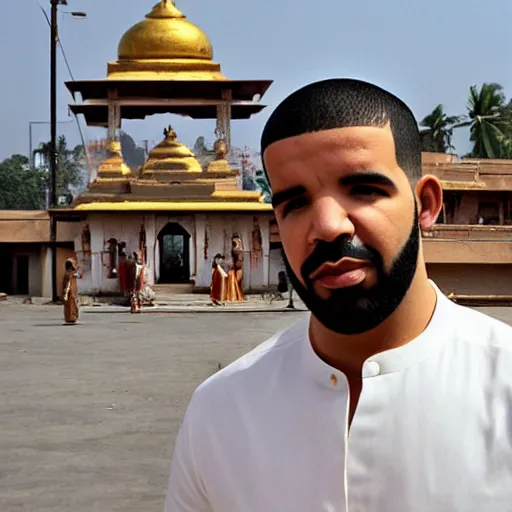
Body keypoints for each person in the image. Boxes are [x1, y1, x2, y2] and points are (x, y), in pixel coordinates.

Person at [164, 79, 512, 511]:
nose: (328, 226)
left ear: (425, 204)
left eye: (363, 189)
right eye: (295, 203)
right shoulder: (222, 409)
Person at [62, 258, 79, 324]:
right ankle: (71, 317)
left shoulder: (71, 274)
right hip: (70, 293)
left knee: (73, 305)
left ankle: (72, 317)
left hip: (72, 293)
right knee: (70, 305)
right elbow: (67, 284)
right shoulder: (68, 274)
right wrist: (66, 293)